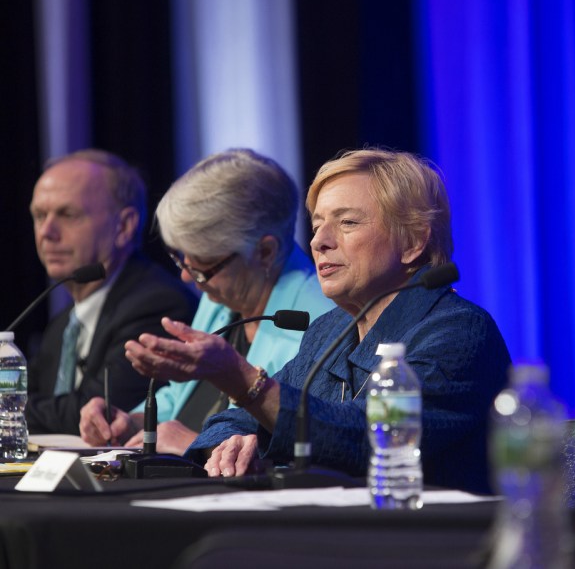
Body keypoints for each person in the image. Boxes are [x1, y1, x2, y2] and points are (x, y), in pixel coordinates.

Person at [124, 148, 511, 493]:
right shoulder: (329, 331)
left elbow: (371, 439)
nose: (318, 241)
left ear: (413, 241)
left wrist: (241, 379)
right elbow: (229, 422)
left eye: (347, 223)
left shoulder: (459, 332)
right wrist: (244, 442)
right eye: (316, 226)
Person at [78, 148, 334, 455]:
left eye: (201, 265)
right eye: (181, 258)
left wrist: (196, 444)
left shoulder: (324, 319)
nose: (188, 277)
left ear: (265, 252)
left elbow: (310, 442)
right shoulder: (221, 298)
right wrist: (132, 423)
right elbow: (184, 398)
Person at [26, 149, 198, 435]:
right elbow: (28, 395)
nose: (47, 231)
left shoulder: (159, 305)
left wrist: (10, 407)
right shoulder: (63, 325)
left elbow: (98, 412)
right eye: (39, 215)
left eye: (67, 214)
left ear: (124, 226)